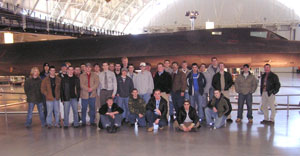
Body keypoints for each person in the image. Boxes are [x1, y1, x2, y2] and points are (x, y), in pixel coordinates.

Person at [80, 63, 100, 127]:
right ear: (85, 68)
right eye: (87, 67)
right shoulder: (82, 75)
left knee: (92, 108)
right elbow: (81, 84)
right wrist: (87, 89)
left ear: (91, 68)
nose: (88, 68)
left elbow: (97, 83)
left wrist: (91, 89)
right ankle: (83, 122)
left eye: (89, 67)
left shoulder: (95, 75)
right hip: (84, 94)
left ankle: (92, 121)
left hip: (92, 94)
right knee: (84, 108)